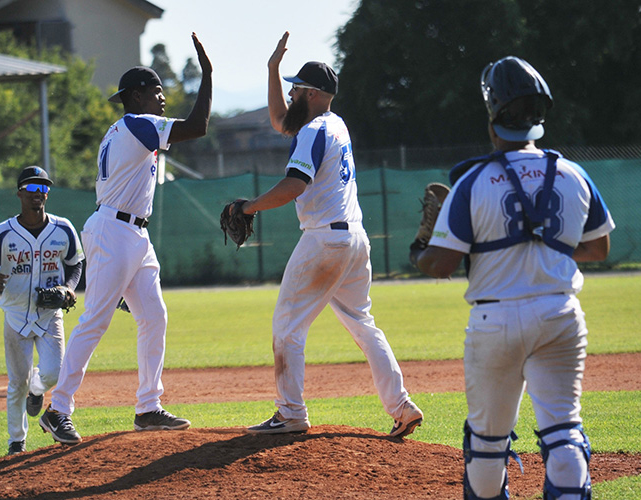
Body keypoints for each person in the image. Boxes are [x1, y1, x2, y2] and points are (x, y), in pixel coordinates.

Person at [412, 56, 614, 499]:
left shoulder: (472, 182)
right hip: (560, 315)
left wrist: (422, 248)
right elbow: (599, 248)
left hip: (495, 322)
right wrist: (546, 246)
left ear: (493, 113)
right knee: (563, 431)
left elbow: (441, 265)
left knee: (486, 444)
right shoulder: (574, 174)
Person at [237, 32, 423, 438]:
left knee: (287, 326)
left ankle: (290, 413)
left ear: (313, 94)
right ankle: (402, 405)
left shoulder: (313, 131)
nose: (292, 96)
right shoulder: (334, 125)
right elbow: (279, 121)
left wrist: (247, 207)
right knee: (362, 323)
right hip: (355, 240)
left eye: (297, 89)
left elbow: (293, 186)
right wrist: (272, 69)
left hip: (326, 241)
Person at [39, 33, 212, 444]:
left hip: (133, 234)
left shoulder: (123, 128)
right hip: (114, 231)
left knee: (154, 316)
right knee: (95, 320)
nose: (162, 97)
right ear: (137, 97)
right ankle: (57, 408)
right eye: (156, 91)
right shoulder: (138, 124)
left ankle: (148, 407)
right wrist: (206, 75)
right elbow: (199, 127)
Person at [0, 165, 85, 456]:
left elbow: (75, 264)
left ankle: (38, 390)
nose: (39, 194)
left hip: (50, 314)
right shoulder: (4, 233)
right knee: (16, 383)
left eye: (44, 188)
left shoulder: (63, 229)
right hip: (15, 315)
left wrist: (70, 288)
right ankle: (16, 442)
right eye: (33, 188)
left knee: (54, 372)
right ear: (20, 193)